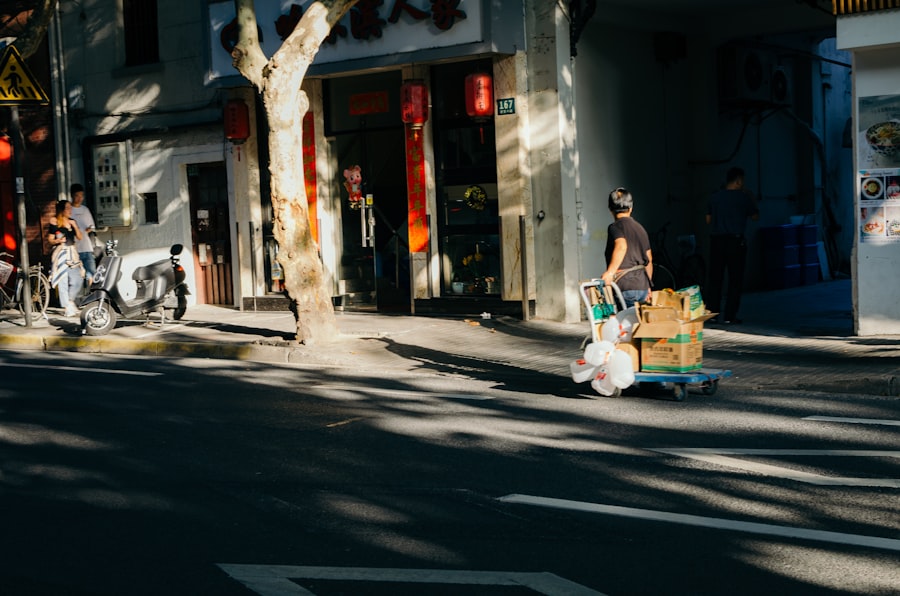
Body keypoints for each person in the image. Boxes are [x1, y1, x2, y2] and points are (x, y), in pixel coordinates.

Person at [706, 167, 759, 324]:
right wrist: (751, 198)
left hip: (717, 242)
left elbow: (708, 220)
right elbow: (755, 216)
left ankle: (713, 313)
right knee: (735, 280)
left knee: (715, 279)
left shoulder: (714, 197)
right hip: (736, 243)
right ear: (738, 180)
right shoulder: (743, 198)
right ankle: (730, 316)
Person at [601, 187, 653, 308]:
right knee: (637, 323)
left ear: (610, 209)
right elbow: (649, 260)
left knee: (625, 323)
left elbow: (621, 246)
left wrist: (610, 273)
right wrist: (648, 285)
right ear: (631, 208)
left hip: (626, 286)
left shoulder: (615, 227)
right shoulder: (641, 229)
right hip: (642, 286)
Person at [48, 199, 85, 317]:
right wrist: (57, 240)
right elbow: (50, 239)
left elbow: (80, 237)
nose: (70, 210)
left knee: (78, 278)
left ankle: (70, 301)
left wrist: (75, 225)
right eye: (67, 208)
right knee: (62, 280)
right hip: (61, 252)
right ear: (62, 210)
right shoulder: (54, 221)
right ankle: (66, 307)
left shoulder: (72, 221)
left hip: (72, 253)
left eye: (70, 208)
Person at [69, 183, 97, 286]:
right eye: (77, 196)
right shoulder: (69, 210)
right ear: (72, 195)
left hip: (87, 247)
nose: (80, 198)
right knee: (77, 277)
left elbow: (91, 226)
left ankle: (90, 296)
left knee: (91, 274)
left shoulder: (85, 210)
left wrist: (88, 229)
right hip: (74, 249)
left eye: (81, 196)